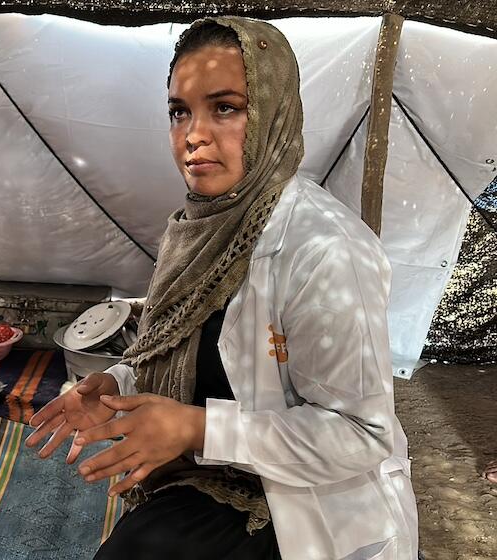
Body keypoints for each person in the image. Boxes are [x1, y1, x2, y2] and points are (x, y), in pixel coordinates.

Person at [26, 17, 418, 560]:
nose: (194, 135)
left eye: (225, 108)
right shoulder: (198, 231)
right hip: (213, 477)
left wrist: (197, 429)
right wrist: (117, 384)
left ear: (273, 114)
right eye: (179, 111)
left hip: (304, 509)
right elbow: (187, 347)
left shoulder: (326, 250)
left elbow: (360, 434)